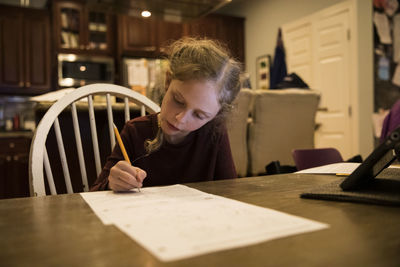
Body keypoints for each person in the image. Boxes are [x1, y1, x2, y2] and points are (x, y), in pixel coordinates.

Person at [90, 37, 242, 192]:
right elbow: (94, 194)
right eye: (178, 100)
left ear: (216, 115)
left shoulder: (215, 133)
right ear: (168, 81)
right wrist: (112, 183)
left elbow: (229, 192)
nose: (180, 118)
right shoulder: (135, 132)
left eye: (199, 115)